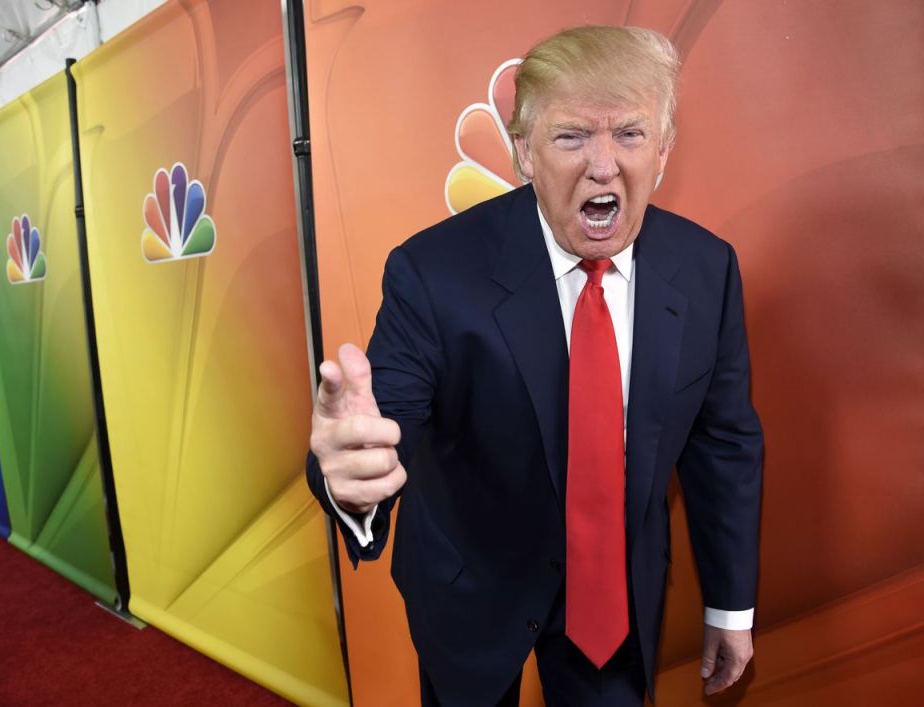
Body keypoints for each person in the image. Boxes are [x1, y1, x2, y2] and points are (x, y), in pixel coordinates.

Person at [307, 25, 763, 707]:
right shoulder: (432, 272)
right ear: (524, 151)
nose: (603, 166)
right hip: (470, 587)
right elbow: (378, 420)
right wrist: (350, 481)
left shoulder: (708, 270)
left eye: (630, 135)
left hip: (613, 600)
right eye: (572, 136)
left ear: (663, 151)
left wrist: (730, 607)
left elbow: (723, 443)